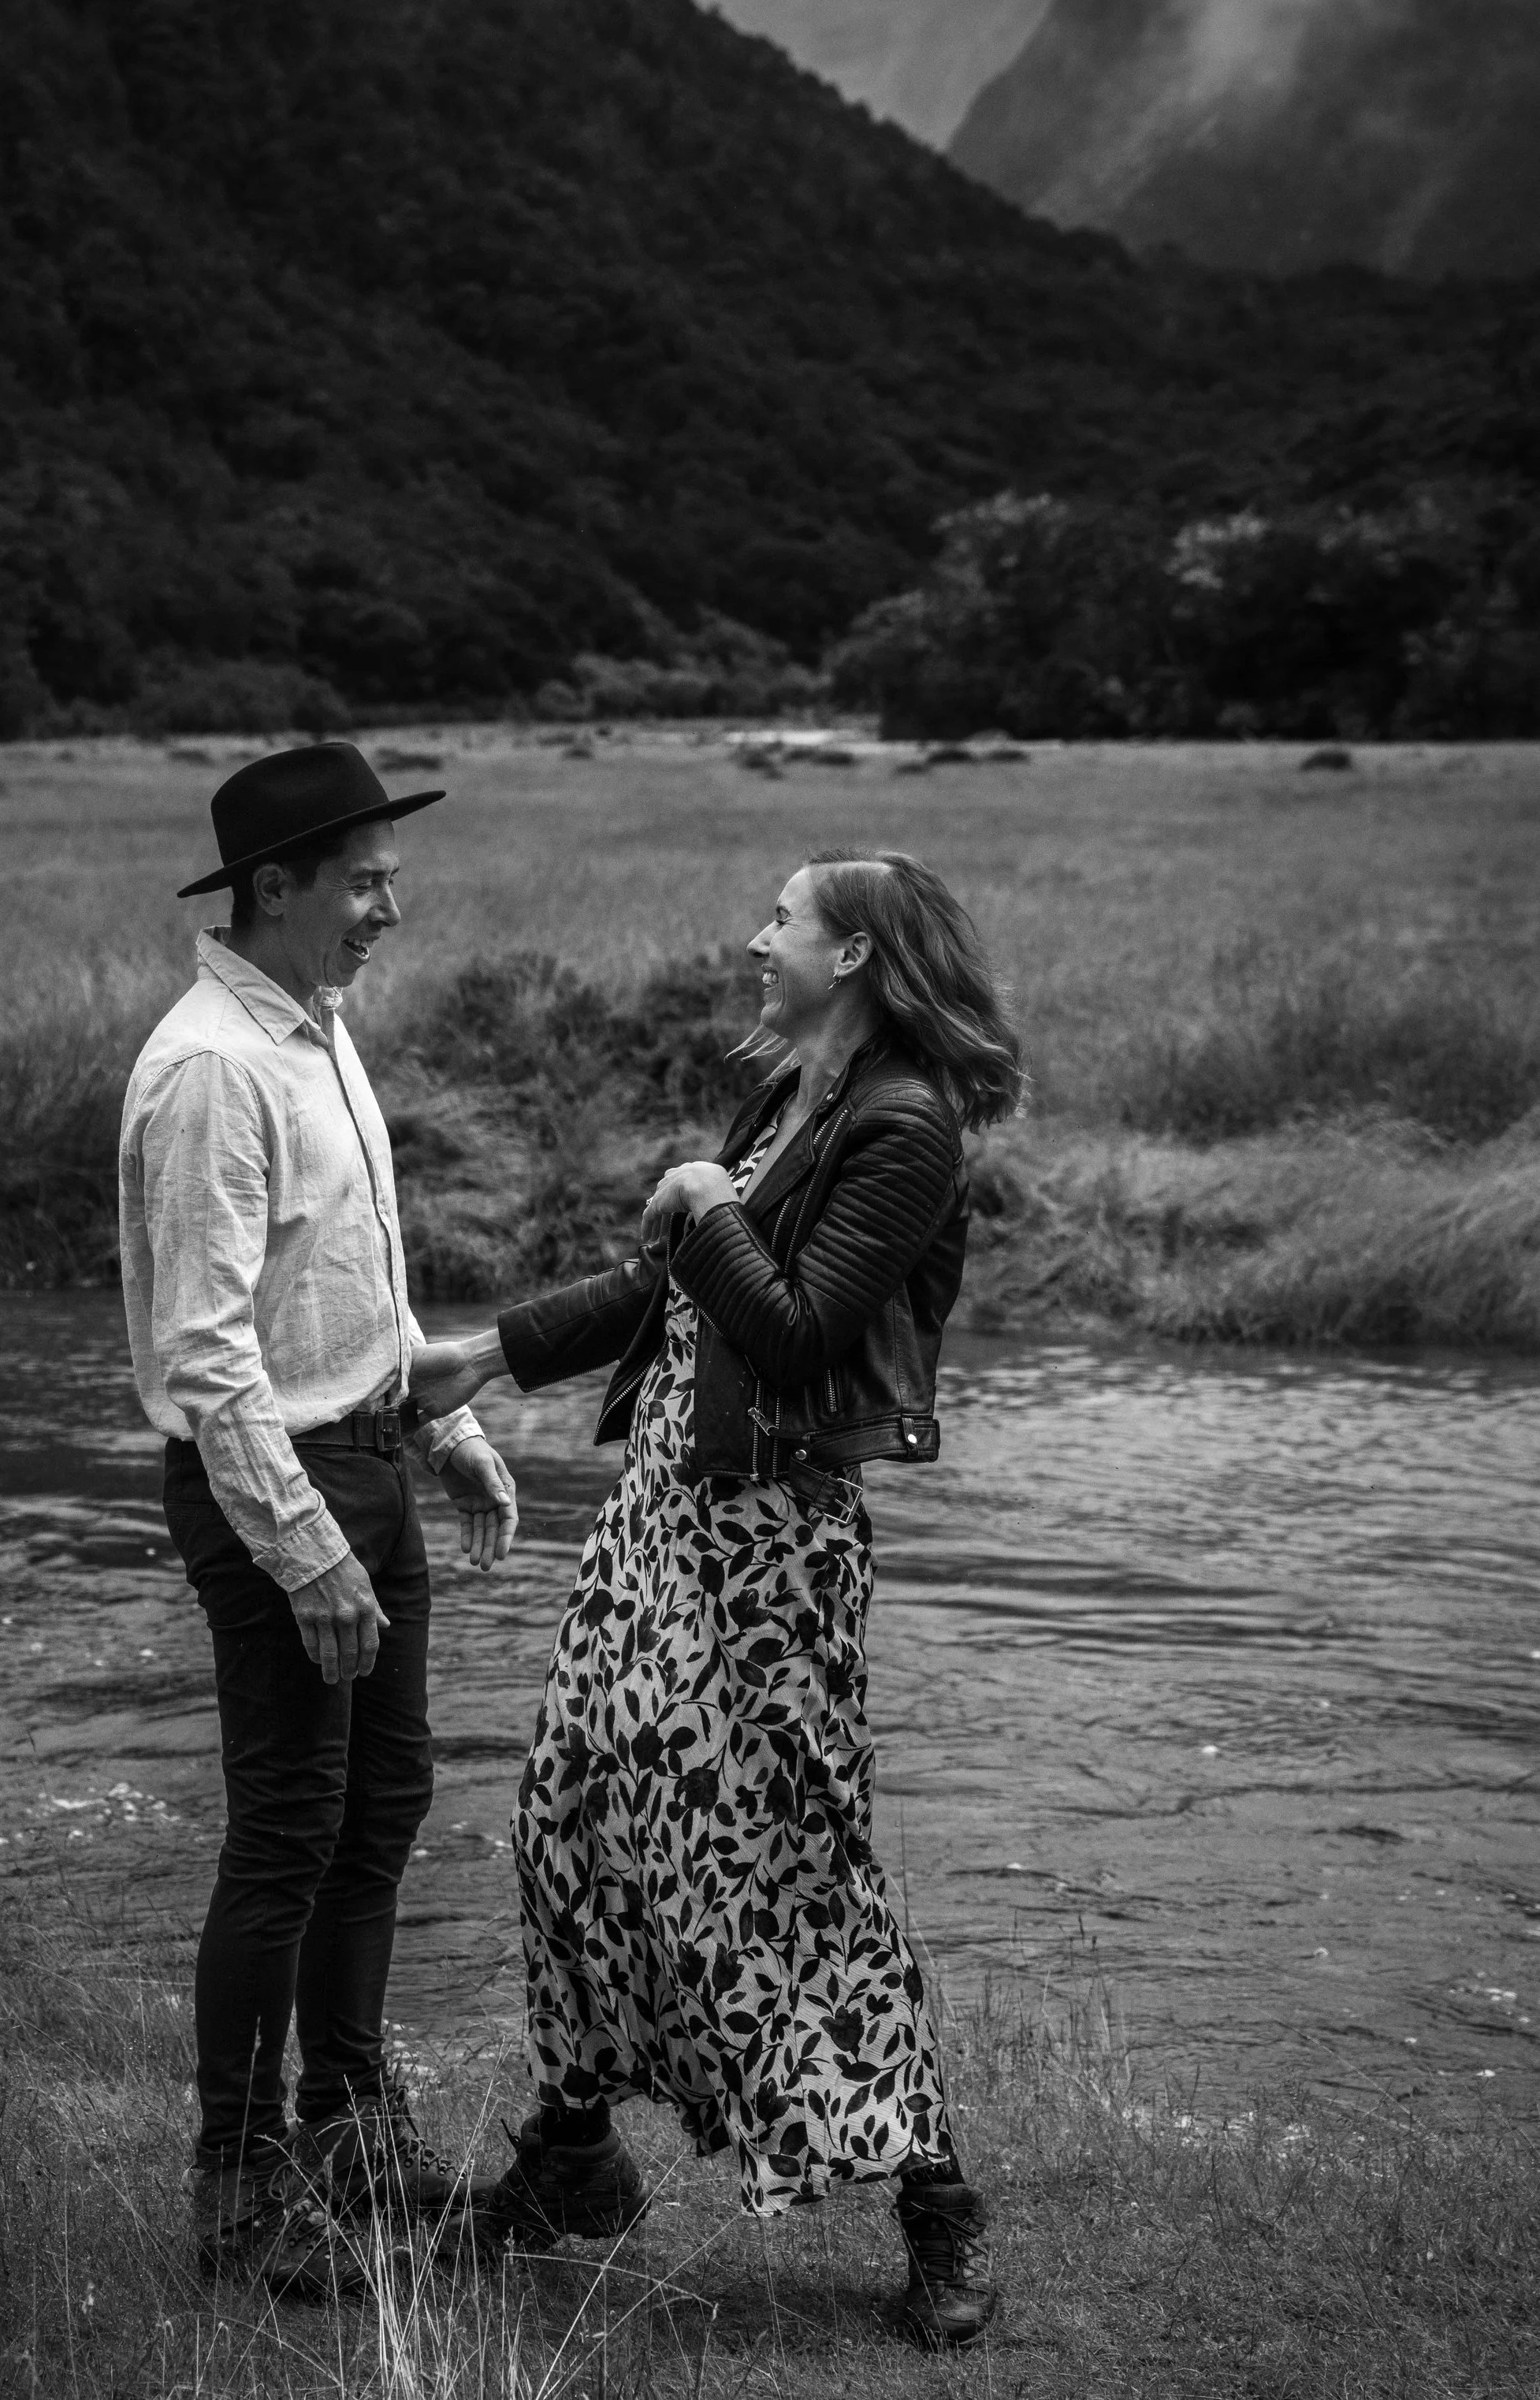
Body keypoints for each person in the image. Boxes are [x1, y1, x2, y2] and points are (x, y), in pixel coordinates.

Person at [430, 850, 1024, 2348]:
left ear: (862, 956)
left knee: (786, 1869)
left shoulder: (907, 1129)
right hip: (660, 1525)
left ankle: (937, 2206)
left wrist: (701, 1196)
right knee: (565, 1812)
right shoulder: (791, 1101)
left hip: (774, 1556)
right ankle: (571, 2153)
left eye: (786, 921)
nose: (759, 939)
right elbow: (675, 1293)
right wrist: (488, 1352)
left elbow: (803, 1330)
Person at [119, 743, 515, 2289]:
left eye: (389, 877)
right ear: (272, 889)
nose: (389, 910)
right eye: (364, 880)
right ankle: (239, 2186)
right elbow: (208, 1360)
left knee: (382, 1808)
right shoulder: (213, 1066)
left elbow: (355, 1282)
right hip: (267, 1482)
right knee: (286, 1833)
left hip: (364, 1454)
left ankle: (349, 2128)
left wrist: (449, 1427)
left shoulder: (321, 1031)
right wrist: (302, 1545)